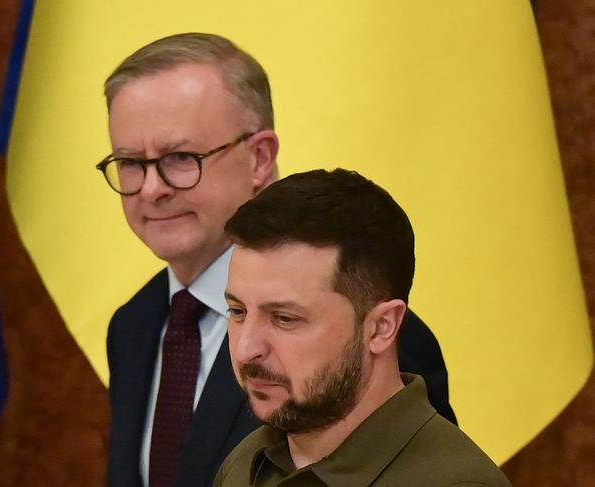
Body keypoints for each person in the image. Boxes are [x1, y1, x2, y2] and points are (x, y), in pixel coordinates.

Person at [97, 33, 455, 487]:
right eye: (131, 162)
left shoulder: (366, 333)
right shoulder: (133, 324)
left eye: (180, 157)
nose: (152, 188)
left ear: (261, 158)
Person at [216, 168, 511, 487]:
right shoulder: (247, 464)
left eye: (285, 319)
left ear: (382, 327)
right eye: (238, 310)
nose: (247, 348)